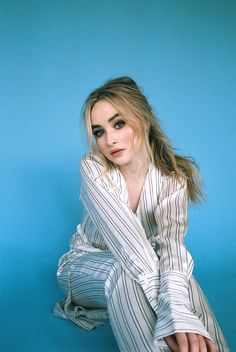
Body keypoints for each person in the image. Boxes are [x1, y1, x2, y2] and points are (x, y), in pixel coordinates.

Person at [54, 77, 228, 352]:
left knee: (180, 276)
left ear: (143, 120)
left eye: (118, 124)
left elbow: (172, 247)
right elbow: (129, 246)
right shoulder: (93, 168)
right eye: (99, 131)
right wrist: (171, 313)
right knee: (127, 271)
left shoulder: (173, 179)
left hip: (140, 268)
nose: (109, 139)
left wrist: (179, 310)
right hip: (84, 267)